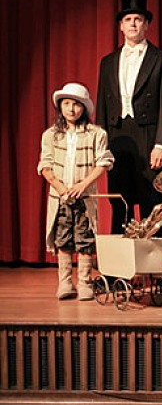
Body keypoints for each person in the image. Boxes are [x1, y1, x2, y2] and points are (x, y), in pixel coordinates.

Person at [96, 0, 162, 238]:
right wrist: (100, 145)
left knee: (152, 201)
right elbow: (101, 106)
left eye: (138, 19)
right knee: (120, 201)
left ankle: (156, 262)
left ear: (146, 25)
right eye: (128, 20)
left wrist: (161, 144)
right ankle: (117, 261)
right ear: (121, 26)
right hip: (117, 138)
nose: (133, 24)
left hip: (149, 136)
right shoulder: (107, 62)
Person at [38, 83, 114, 300]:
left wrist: (83, 185)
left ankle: (84, 282)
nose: (71, 109)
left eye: (76, 104)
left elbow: (104, 162)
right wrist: (61, 188)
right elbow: (45, 165)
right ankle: (65, 282)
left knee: (85, 239)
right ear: (60, 106)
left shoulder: (96, 134)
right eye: (67, 104)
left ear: (84, 108)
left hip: (85, 197)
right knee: (62, 239)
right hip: (60, 197)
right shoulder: (51, 135)